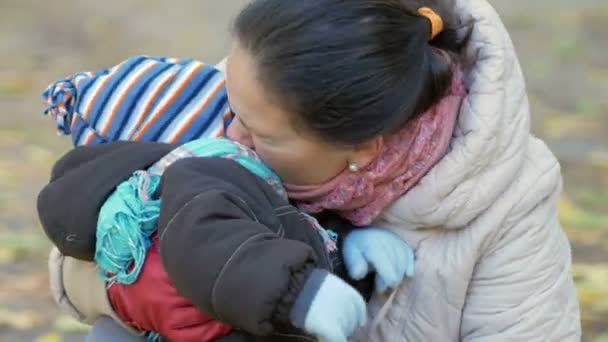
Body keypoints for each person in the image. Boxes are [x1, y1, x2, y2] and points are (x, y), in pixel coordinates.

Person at [43, 0, 581, 340]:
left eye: (263, 135)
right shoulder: (254, 91)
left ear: (364, 151)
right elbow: (84, 252)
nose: (230, 135)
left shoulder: (505, 204)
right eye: (233, 108)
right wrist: (141, 289)